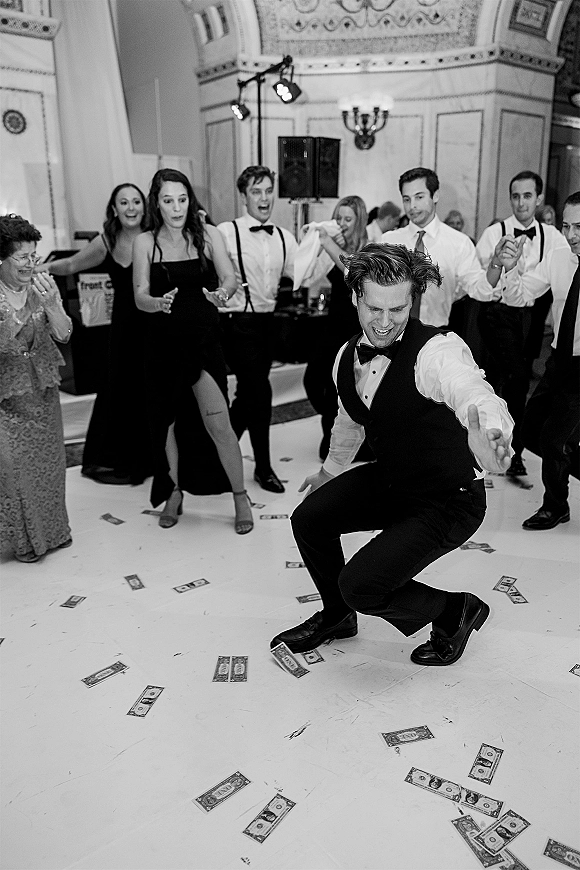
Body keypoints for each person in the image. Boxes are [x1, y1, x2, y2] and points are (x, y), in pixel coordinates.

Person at [271, 244, 513, 666]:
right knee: (309, 518)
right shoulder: (346, 356)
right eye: (374, 309)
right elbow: (349, 417)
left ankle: (455, 610)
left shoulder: (436, 352)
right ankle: (337, 617)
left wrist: (491, 435)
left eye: (398, 310)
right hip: (394, 479)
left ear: (412, 301)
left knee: (360, 585)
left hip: (448, 497)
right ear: (355, 298)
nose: (384, 323)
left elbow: (472, 391)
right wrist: (330, 471)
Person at [133, 168, 253, 534]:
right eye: (168, 200)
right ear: (157, 202)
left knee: (219, 422)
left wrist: (223, 294)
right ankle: (174, 491)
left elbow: (229, 278)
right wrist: (157, 303)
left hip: (203, 343)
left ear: (190, 199)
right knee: (167, 425)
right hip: (161, 346)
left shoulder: (208, 235)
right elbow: (139, 296)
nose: (176, 207)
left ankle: (240, 495)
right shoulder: (145, 242)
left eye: (182, 199)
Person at [36, 183, 152, 485]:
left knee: (150, 389)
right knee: (117, 389)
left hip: (154, 325)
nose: (130, 208)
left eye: (136, 201)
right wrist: (40, 268)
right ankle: (115, 458)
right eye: (123, 202)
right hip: (123, 327)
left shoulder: (156, 236)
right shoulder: (108, 240)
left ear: (144, 206)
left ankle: (154, 458)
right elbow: (73, 263)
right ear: (114, 209)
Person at [491, 190, 579, 530]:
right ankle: (566, 451)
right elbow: (521, 295)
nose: (571, 235)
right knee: (531, 430)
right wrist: (510, 270)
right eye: (568, 226)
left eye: (579, 227)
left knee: (555, 440)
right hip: (558, 360)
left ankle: (555, 506)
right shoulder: (558, 258)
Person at [217, 166, 298, 494]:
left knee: (247, 396)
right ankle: (262, 468)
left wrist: (327, 245)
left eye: (268, 191)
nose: (264, 198)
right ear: (243, 196)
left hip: (268, 324)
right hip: (237, 322)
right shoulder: (225, 232)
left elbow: (303, 273)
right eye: (256, 192)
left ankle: (219, 456)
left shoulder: (284, 237)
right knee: (259, 392)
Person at [476, 171, 563, 477]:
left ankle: (509, 446)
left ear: (539, 199)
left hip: (534, 316)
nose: (521, 202)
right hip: (498, 314)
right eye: (515, 196)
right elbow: (481, 280)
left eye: (527, 196)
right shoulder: (493, 232)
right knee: (513, 377)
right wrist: (500, 265)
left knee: (519, 379)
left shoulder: (554, 237)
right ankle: (508, 451)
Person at [0, 214, 73, 562]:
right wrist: (17, 317)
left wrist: (53, 306)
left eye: (34, 256)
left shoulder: (42, 288)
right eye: (22, 258)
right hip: (7, 401)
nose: (32, 264)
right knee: (16, 475)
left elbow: (64, 333)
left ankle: (55, 533)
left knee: (50, 469)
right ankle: (28, 543)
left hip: (44, 395)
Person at [380, 168, 497, 333]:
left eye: (419, 197)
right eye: (407, 199)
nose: (412, 206)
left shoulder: (458, 243)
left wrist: (497, 264)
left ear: (435, 196)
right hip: (391, 331)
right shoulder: (388, 241)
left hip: (436, 332)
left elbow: (481, 291)